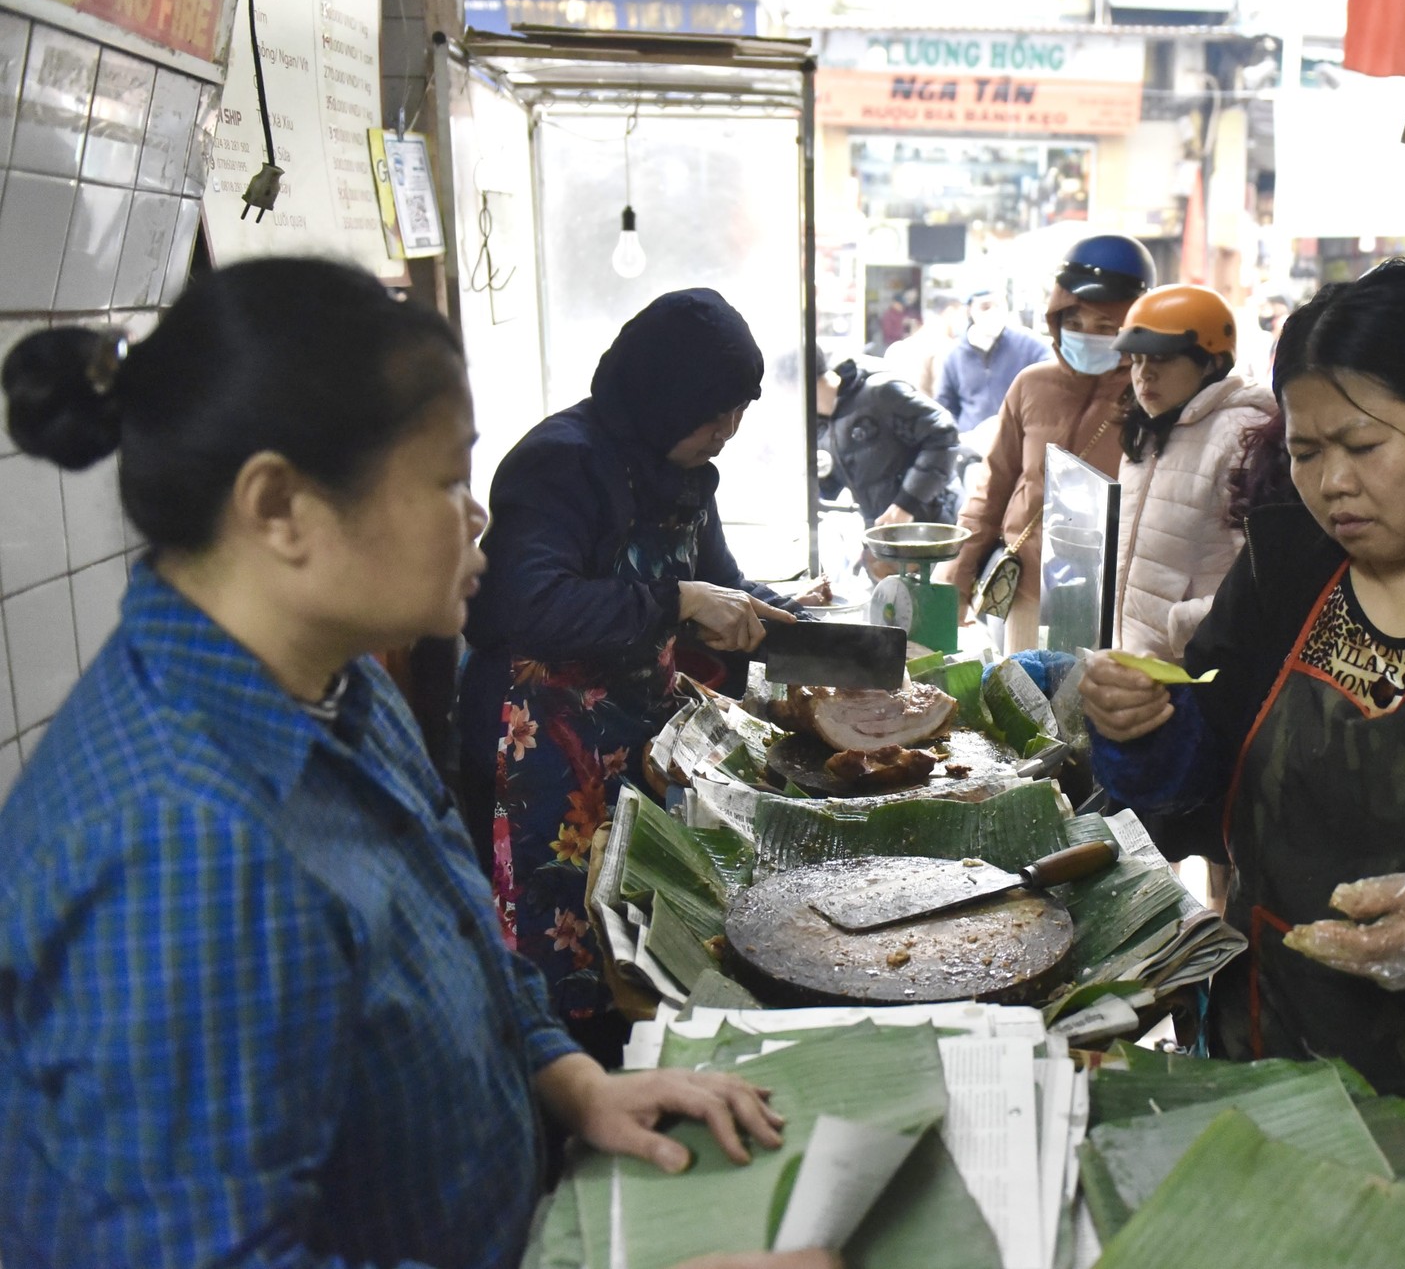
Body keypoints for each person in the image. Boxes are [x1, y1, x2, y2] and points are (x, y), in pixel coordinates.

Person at [0, 258, 830, 1269]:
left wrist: (574, 1084)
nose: (478, 516)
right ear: (279, 507)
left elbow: (466, 949)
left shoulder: (340, 695)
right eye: (445, 479)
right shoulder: (174, 839)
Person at [1079, 261, 1405, 1126]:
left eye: (1364, 448)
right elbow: (1197, 782)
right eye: (1305, 450)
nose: (1332, 483)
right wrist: (1141, 733)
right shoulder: (1285, 566)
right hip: (1270, 1054)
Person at [458, 289, 808, 1062]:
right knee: (557, 968)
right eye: (715, 414)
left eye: (739, 411)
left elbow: (726, 587)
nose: (729, 432)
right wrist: (675, 602)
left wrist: (815, 637)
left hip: (633, 750)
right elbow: (528, 603)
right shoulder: (561, 463)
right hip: (540, 761)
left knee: (627, 952)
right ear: (665, 396)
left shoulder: (680, 472)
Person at [945, 235, 1157, 652]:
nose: (1086, 336)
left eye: (1105, 328)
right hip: (1024, 589)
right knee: (1017, 704)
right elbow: (993, 487)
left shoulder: (1150, 397)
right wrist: (958, 576)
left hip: (1108, 602)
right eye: (1074, 324)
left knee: (1082, 712)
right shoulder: (1031, 384)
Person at [1108, 284, 1275, 661]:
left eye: (1161, 360)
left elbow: (1264, 575)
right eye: (1136, 360)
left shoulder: (1241, 436)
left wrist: (1184, 625)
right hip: (1135, 661)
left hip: (1200, 668)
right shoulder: (1146, 428)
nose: (1143, 375)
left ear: (1212, 363)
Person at [815, 348, 963, 529]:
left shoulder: (879, 393)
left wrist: (906, 504)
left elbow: (943, 433)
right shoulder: (822, 424)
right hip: (886, 532)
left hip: (932, 525)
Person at [935, 286, 1051, 433]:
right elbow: (945, 407)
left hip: (1018, 441)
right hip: (972, 447)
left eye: (999, 305)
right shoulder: (954, 356)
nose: (993, 312)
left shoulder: (1030, 346)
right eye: (985, 307)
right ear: (970, 310)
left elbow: (1053, 385)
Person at [882, 290, 963, 397]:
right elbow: (944, 397)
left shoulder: (900, 347)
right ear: (950, 312)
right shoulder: (946, 349)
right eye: (963, 314)